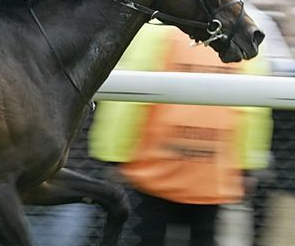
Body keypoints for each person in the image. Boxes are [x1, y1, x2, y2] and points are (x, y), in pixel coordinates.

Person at [89, 24, 273, 246]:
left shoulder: (156, 32)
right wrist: (247, 167)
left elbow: (129, 100)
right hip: (209, 178)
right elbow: (253, 111)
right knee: (203, 238)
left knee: (145, 238)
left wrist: (113, 158)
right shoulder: (244, 36)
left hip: (153, 173)